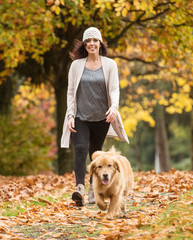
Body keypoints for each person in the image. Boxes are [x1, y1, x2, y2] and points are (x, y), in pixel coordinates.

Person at [60, 27, 129, 207]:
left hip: (101, 118)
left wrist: (114, 107)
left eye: (95, 40)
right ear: (84, 44)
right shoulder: (76, 65)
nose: (92, 43)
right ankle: (80, 189)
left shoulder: (110, 64)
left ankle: (93, 191)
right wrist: (70, 115)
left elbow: (114, 89)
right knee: (81, 147)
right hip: (80, 117)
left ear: (100, 44)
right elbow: (69, 92)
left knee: (95, 153)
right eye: (88, 40)